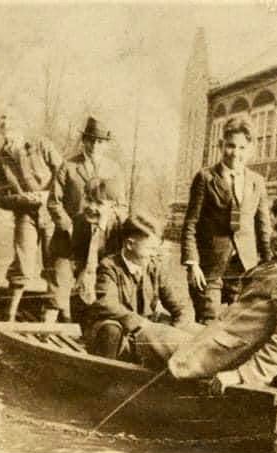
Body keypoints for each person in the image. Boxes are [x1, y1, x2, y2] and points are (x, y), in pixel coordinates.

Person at [134, 196, 277, 394]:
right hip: (226, 344)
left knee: (146, 335)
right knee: (174, 325)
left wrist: (243, 375)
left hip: (227, 360)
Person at [181, 116, 271, 324]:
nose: (235, 154)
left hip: (243, 268)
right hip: (209, 267)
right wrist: (192, 264)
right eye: (230, 146)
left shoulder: (256, 182)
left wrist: (268, 266)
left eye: (242, 148)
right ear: (221, 145)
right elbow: (190, 224)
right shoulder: (205, 178)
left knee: (238, 325)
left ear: (250, 150)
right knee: (208, 321)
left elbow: (263, 228)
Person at [46, 116, 127, 322]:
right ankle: (51, 326)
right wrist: (68, 226)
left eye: (99, 142)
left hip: (98, 241)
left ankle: (88, 325)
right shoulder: (68, 166)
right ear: (84, 141)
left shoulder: (114, 170)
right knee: (58, 290)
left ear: (106, 145)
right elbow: (54, 202)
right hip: (68, 238)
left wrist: (107, 221)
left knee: (95, 287)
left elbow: (122, 206)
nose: (94, 146)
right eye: (90, 140)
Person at [83, 211, 190, 361]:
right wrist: (140, 324)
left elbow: (179, 305)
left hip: (143, 332)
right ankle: (106, 375)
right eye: (150, 249)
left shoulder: (154, 267)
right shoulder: (109, 266)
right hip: (119, 331)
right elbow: (106, 304)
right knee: (110, 330)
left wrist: (179, 324)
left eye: (157, 249)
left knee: (190, 333)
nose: (154, 254)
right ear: (129, 244)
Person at [0, 110, 64, 321]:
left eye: (13, 128)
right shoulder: (0, 159)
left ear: (22, 128)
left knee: (54, 263)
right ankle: (9, 315)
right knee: (23, 263)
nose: (9, 134)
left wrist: (48, 195)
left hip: (52, 213)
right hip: (26, 215)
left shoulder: (42, 145)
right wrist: (24, 200)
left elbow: (63, 175)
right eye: (5, 130)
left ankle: (54, 315)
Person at [49, 178, 125, 325]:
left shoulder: (120, 229)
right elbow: (65, 262)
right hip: (83, 289)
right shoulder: (78, 222)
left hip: (111, 292)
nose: (90, 207)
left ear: (113, 206)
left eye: (99, 203)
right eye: (88, 200)